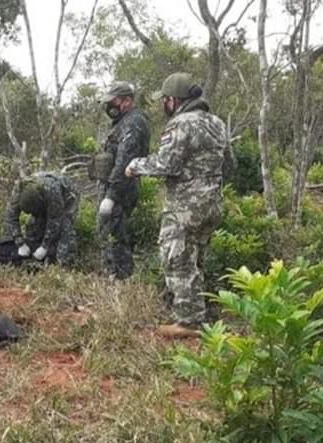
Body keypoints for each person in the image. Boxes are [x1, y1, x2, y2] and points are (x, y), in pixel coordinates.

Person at [126, 72, 229, 338]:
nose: (164, 105)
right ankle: (199, 311)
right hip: (212, 202)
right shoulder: (217, 123)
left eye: (165, 100)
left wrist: (135, 166)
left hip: (185, 206)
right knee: (196, 258)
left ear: (173, 100)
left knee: (177, 259)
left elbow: (166, 164)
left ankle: (188, 322)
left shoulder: (180, 123)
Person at [94, 82, 150, 279]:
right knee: (107, 233)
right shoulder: (121, 122)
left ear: (127, 101)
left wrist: (111, 195)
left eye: (113, 102)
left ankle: (120, 278)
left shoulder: (133, 122)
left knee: (114, 235)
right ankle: (112, 275)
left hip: (121, 188)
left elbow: (125, 160)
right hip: (113, 186)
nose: (110, 107)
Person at [3, 172, 80, 267]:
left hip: (67, 199)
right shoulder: (18, 191)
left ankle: (66, 263)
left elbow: (55, 220)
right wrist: (20, 243)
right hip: (44, 200)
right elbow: (10, 218)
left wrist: (45, 246)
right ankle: (35, 261)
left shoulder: (52, 191)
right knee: (33, 228)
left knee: (65, 229)